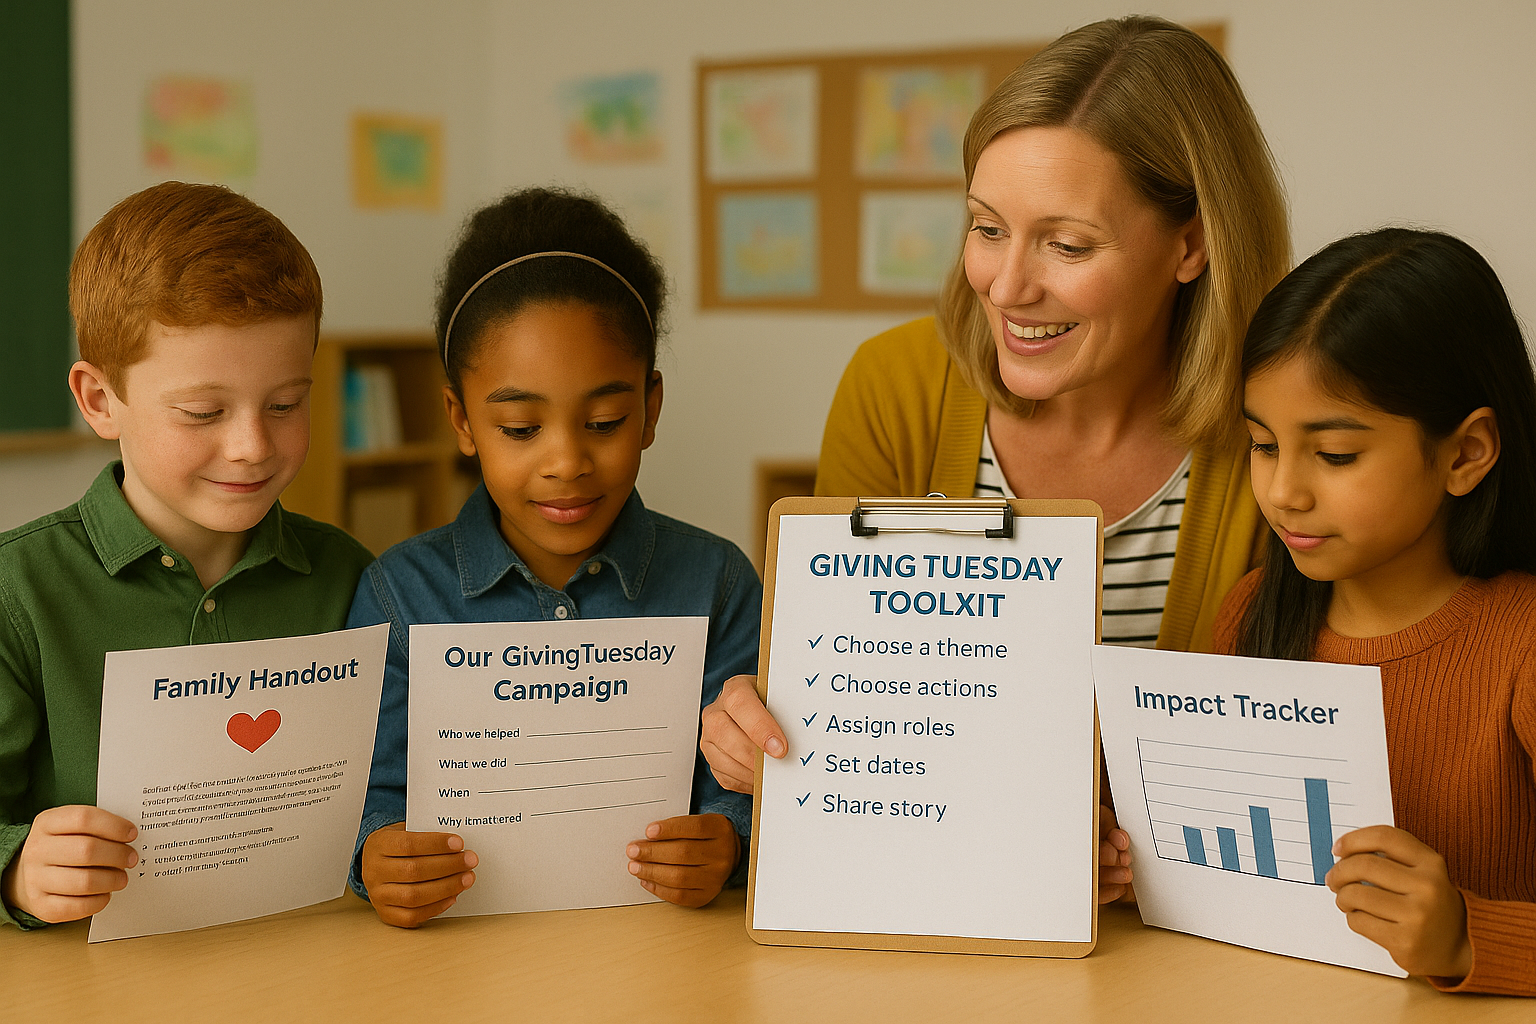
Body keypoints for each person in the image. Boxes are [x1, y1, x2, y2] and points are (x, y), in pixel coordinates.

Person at [699, 15, 1290, 903]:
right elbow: (859, 710)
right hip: (933, 918)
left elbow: (1290, 764)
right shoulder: (893, 387)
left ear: (1191, 244)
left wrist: (1141, 847)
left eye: (1067, 243)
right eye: (987, 228)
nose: (1006, 287)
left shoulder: (1276, 438)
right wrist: (774, 731)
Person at [348, 187, 759, 928]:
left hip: (669, 964)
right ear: (461, 420)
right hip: (457, 968)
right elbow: (365, 796)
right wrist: (377, 855)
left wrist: (729, 841)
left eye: (604, 420)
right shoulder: (398, 596)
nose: (567, 461)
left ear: (651, 407)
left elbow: (758, 784)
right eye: (519, 428)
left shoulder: (717, 582)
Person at [0, 181, 374, 929]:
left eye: (285, 404)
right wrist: (15, 869)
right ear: (100, 400)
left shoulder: (352, 577)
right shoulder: (20, 589)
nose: (252, 447)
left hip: (308, 964)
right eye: (204, 412)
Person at [1215, 228, 1536, 995]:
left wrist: (1465, 937)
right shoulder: (1253, 611)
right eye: (1263, 445)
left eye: (1334, 456)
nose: (1285, 491)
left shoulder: (1522, 645)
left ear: (1465, 454)